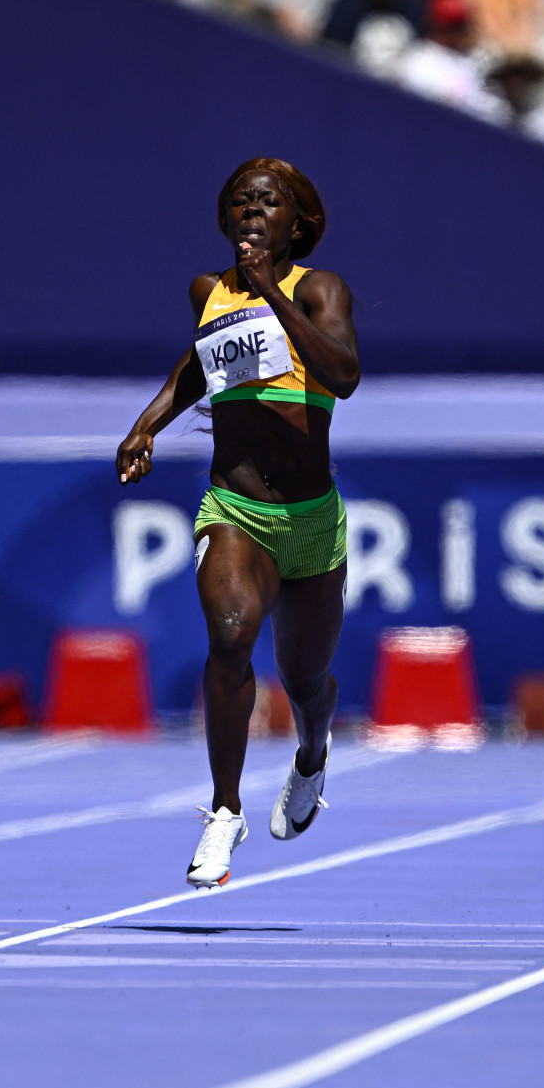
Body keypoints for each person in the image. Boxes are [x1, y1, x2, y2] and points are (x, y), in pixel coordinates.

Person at [116, 158, 360, 888]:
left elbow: (343, 376)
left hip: (311, 518)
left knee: (306, 677)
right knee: (229, 639)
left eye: (271, 201)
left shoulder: (319, 290)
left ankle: (312, 754)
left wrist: (269, 298)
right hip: (235, 507)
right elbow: (199, 365)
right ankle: (225, 810)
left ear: (298, 223)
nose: (255, 209)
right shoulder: (207, 292)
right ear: (227, 221)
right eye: (242, 201)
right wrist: (147, 423)